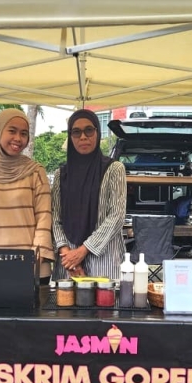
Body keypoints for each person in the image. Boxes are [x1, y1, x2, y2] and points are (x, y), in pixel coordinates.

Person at [0, 108, 54, 283]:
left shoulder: (36, 172)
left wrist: (33, 258)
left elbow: (44, 216)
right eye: (12, 131)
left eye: (23, 133)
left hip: (34, 266)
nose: (18, 139)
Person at [51, 109, 127, 279]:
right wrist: (66, 253)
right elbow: (54, 218)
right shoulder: (61, 175)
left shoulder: (114, 169)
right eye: (76, 132)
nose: (83, 137)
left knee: (105, 304)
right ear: (70, 137)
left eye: (89, 130)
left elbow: (116, 216)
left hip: (104, 259)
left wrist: (83, 251)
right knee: (65, 304)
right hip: (68, 263)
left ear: (97, 133)